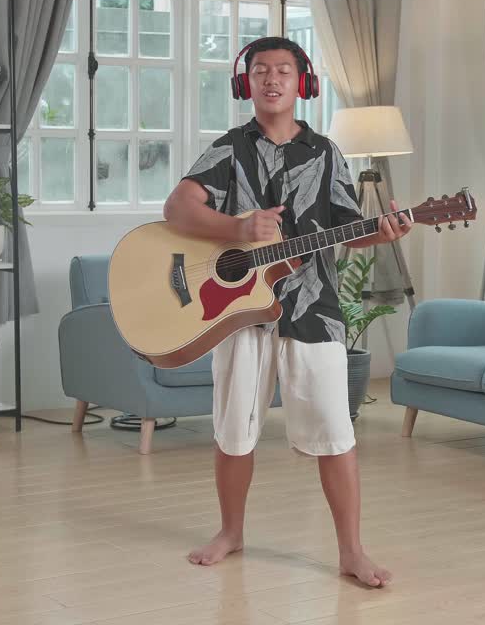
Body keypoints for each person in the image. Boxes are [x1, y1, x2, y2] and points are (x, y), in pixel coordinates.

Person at [162, 36, 410, 588]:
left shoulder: (325, 153)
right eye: (260, 71)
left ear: (303, 82)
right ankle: (231, 532)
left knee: (334, 429)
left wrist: (386, 230)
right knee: (234, 427)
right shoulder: (229, 148)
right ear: (245, 83)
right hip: (237, 311)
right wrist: (237, 228)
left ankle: (350, 550)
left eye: (283, 70)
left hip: (313, 308)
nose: (271, 80)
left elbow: (353, 230)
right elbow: (176, 207)